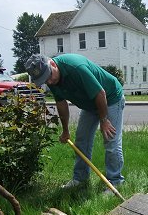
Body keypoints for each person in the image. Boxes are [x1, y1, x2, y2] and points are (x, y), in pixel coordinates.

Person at [25, 53, 125, 189]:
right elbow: (61, 103)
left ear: (53, 64)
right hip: (90, 104)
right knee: (81, 140)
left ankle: (115, 181)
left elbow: (100, 93)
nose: (48, 82)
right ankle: (80, 179)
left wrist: (104, 120)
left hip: (111, 98)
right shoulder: (52, 78)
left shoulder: (75, 67)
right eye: (44, 80)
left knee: (110, 140)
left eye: (48, 77)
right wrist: (65, 130)